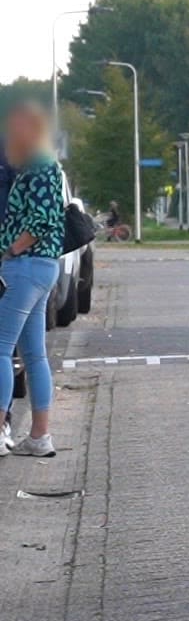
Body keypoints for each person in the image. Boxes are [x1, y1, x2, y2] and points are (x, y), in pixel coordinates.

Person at [0, 103, 68, 457]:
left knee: (0, 346)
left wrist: (11, 249)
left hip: (24, 265)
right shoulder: (39, 165)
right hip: (41, 268)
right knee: (34, 354)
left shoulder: (40, 166)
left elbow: (41, 220)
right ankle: (40, 437)